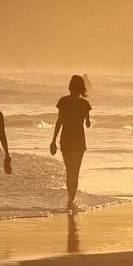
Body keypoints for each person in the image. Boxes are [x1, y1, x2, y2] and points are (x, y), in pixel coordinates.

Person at [50, 75, 92, 209]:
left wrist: (53, 140)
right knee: (76, 171)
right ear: (82, 87)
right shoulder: (85, 104)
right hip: (79, 139)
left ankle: (70, 198)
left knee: (69, 170)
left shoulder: (63, 101)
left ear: (70, 86)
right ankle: (72, 199)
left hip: (66, 138)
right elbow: (88, 124)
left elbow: (59, 121)